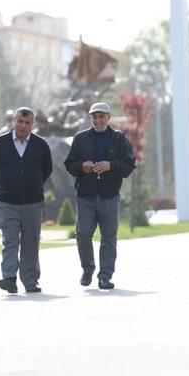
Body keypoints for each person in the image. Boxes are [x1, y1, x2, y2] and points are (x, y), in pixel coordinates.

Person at [64, 102, 136, 289]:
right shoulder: (80, 139)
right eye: (94, 117)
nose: (98, 120)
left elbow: (129, 166)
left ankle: (105, 276)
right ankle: (88, 268)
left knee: (109, 237)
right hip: (85, 196)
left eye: (102, 116)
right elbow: (69, 165)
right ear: (91, 118)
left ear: (109, 117)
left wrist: (110, 165)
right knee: (83, 233)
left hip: (109, 196)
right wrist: (82, 166)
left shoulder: (119, 139)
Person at [0, 107, 53, 293]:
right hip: (8, 203)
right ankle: (9, 278)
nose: (23, 125)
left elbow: (47, 170)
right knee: (10, 241)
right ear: (13, 121)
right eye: (20, 121)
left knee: (31, 243)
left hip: (33, 202)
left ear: (33, 124)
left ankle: (30, 281)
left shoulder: (41, 145)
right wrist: (5, 186)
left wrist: (35, 184)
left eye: (27, 122)